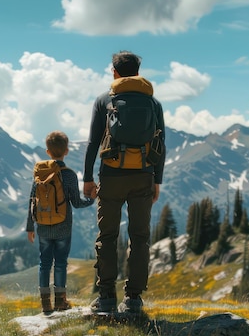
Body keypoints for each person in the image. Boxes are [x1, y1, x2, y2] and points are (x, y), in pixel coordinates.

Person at [83, 51, 166, 314]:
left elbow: (93, 142)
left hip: (111, 175)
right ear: (138, 72)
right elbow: (160, 144)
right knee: (139, 237)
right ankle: (133, 299)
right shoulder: (153, 103)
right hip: (143, 174)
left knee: (107, 236)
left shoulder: (103, 100)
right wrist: (157, 180)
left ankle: (106, 296)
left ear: (114, 71)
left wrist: (87, 177)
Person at [27, 130, 94, 314]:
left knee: (44, 263)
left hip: (42, 227)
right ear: (66, 150)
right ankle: (60, 302)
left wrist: (30, 227)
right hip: (63, 226)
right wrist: (92, 199)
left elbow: (33, 200)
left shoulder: (40, 173)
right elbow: (77, 203)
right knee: (61, 263)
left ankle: (45, 304)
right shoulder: (69, 175)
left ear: (48, 151)